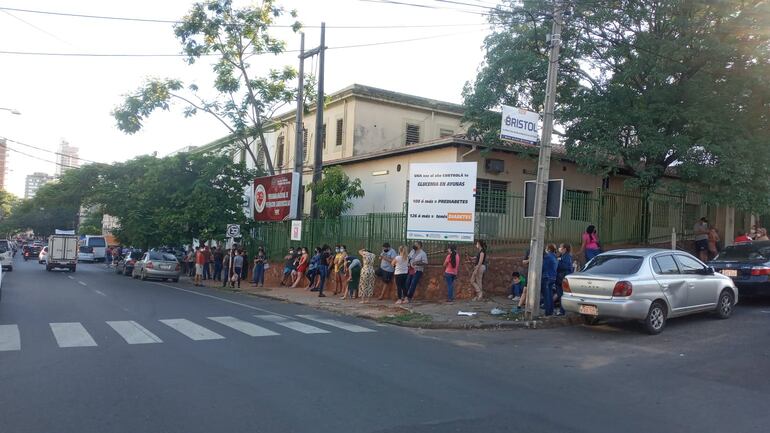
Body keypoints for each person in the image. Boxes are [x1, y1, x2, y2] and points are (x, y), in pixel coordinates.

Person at [555, 243, 573, 316]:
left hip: (562, 278)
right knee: (560, 295)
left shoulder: (567, 256)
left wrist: (557, 262)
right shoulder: (563, 256)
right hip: (560, 277)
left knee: (561, 295)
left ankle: (562, 311)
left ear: (564, 249)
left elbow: (564, 266)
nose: (559, 249)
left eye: (560, 247)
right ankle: (561, 310)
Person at [542, 244, 558, 316]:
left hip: (547, 277)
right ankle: (550, 311)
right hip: (553, 277)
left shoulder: (547, 257)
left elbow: (543, 267)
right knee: (550, 295)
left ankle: (547, 312)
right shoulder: (555, 257)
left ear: (548, 249)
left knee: (546, 296)